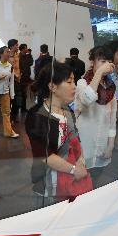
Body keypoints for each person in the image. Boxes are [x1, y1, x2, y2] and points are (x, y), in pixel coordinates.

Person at [26, 61, 90, 204]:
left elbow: (76, 141)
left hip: (70, 182)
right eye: (69, 82)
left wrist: (81, 161)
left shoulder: (67, 110)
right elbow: (45, 156)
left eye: (74, 81)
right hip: (49, 185)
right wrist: (75, 170)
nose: (74, 87)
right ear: (52, 86)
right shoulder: (38, 115)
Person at [74, 46, 116, 171]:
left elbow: (112, 120)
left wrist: (110, 146)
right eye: (103, 61)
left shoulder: (110, 86)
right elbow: (87, 99)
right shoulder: (82, 83)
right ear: (92, 62)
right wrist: (98, 72)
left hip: (102, 143)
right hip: (84, 143)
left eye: (109, 62)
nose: (106, 65)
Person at [8, 39, 21, 120]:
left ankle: (14, 116)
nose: (18, 46)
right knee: (8, 99)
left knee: (17, 99)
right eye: (16, 45)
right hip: (8, 81)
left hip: (17, 80)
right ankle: (7, 116)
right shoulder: (6, 55)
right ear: (12, 46)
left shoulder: (18, 55)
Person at [19, 43, 34, 113]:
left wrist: (30, 54)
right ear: (22, 49)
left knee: (24, 93)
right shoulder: (19, 56)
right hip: (21, 77)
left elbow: (31, 63)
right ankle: (20, 107)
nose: (27, 49)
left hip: (26, 77)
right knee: (21, 93)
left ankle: (23, 107)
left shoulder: (27, 56)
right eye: (26, 48)